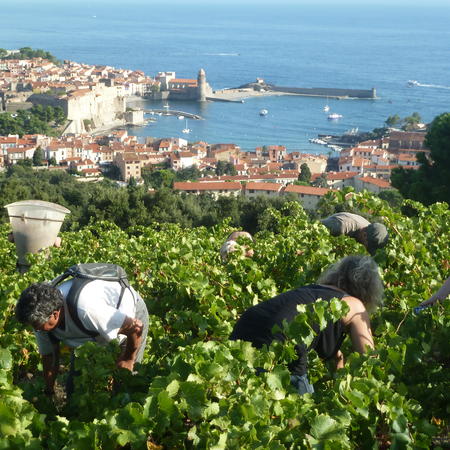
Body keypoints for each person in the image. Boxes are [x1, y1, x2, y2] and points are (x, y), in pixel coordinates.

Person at [230, 255, 383, 394]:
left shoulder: (312, 290)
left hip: (245, 327)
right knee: (300, 416)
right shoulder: (355, 305)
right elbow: (369, 358)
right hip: (280, 339)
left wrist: (338, 360)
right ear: (370, 288)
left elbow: (325, 342)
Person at [15, 271, 149, 397]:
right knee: (74, 387)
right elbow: (49, 357)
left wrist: (128, 359)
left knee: (125, 381)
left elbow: (135, 327)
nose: (35, 330)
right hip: (90, 331)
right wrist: (49, 391)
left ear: (55, 315)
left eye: (37, 326)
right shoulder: (40, 320)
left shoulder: (86, 310)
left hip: (128, 318)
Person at [321, 212, 389, 255]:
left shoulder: (370, 230)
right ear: (364, 234)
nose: (366, 249)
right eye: (368, 246)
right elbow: (316, 231)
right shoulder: (340, 226)